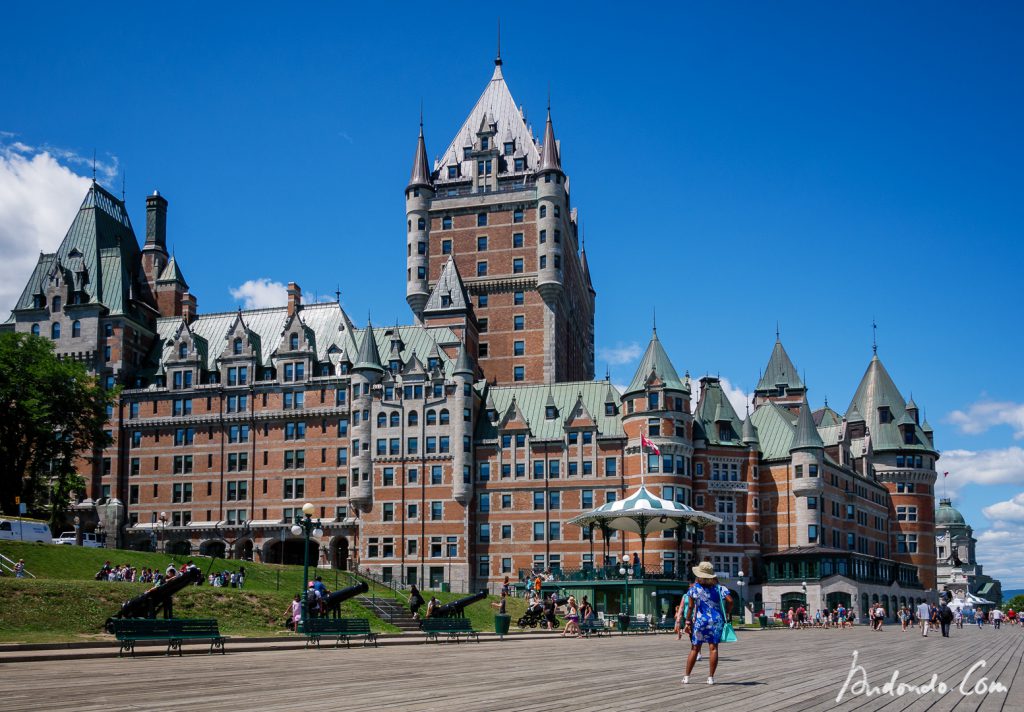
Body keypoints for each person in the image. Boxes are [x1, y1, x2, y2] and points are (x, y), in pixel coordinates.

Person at [675, 561, 733, 685]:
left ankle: (686, 676)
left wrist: (688, 621)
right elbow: (731, 601)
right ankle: (711, 677)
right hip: (716, 621)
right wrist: (726, 613)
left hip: (701, 621)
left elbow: (690, 607)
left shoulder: (694, 588)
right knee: (713, 649)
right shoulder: (720, 588)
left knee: (695, 648)